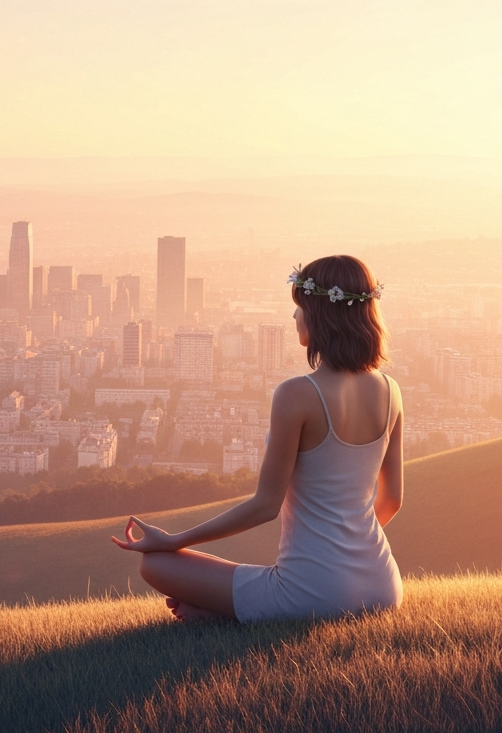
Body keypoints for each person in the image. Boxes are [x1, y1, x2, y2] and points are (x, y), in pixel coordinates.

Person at [112, 255, 403, 623]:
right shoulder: (392, 392)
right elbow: (391, 500)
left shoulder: (297, 394)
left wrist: (173, 540)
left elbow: (266, 505)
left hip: (312, 594)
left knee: (155, 566)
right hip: (383, 587)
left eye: (300, 308)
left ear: (320, 315)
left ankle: (230, 616)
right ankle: (238, 612)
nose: (295, 317)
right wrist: (346, 555)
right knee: (258, 578)